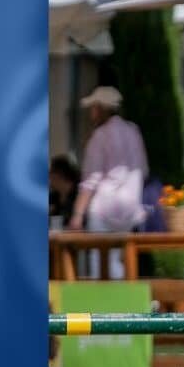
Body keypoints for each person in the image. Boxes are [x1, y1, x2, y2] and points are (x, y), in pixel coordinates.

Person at [68, 86, 149, 279]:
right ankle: (125, 303)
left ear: (100, 108)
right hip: (130, 206)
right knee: (121, 259)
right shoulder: (134, 132)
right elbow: (143, 170)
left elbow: (90, 180)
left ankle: (105, 307)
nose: (91, 113)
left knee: (100, 262)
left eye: (93, 107)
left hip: (104, 207)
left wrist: (77, 215)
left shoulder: (100, 136)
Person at [48, 154, 81, 229]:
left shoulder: (79, 195)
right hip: (56, 238)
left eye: (50, 173)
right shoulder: (53, 196)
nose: (48, 177)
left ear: (59, 175)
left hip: (78, 237)